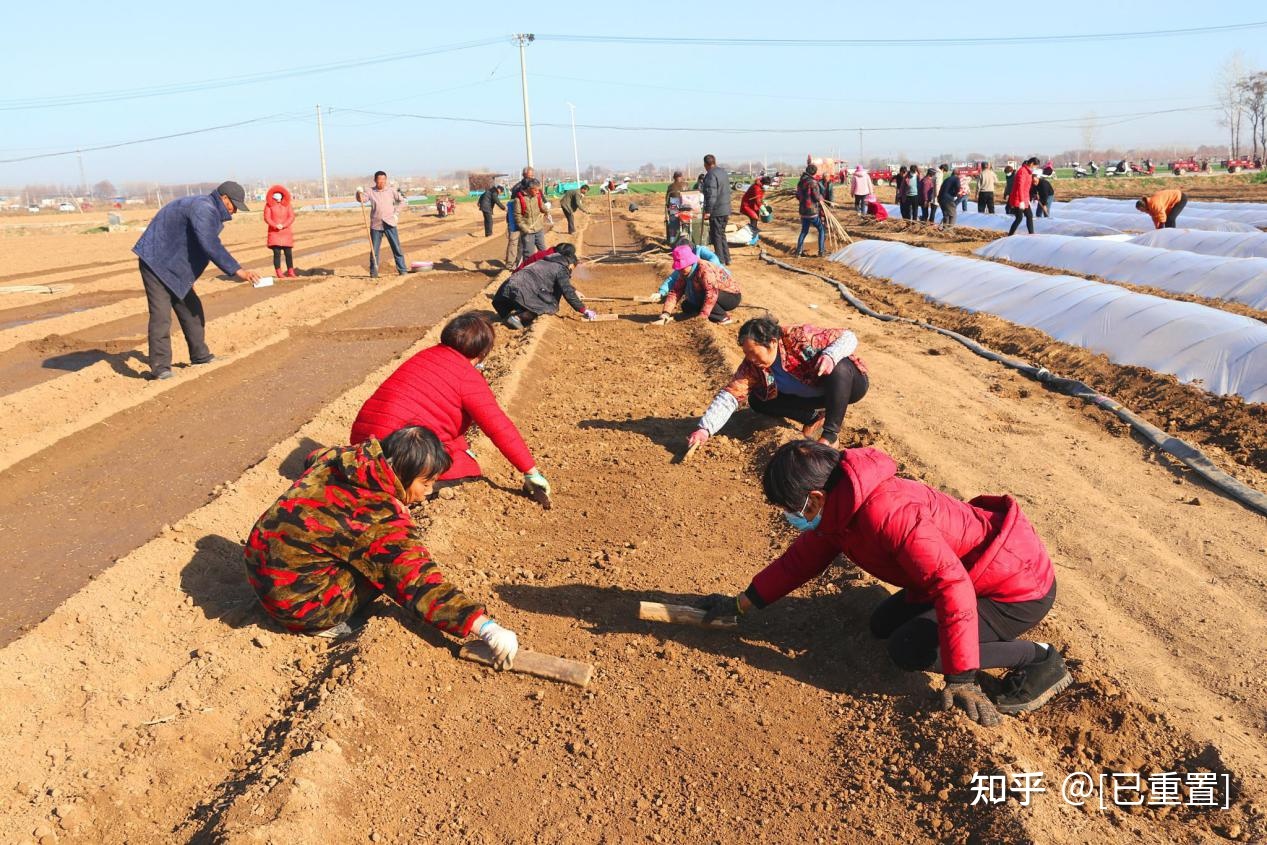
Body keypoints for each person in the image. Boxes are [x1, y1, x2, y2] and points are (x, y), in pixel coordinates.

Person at [695, 440, 1069, 726]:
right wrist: (742, 604)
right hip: (969, 573)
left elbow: (951, 585)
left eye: (790, 509)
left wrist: (962, 677)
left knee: (913, 650)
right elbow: (799, 561)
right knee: (882, 624)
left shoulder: (887, 513)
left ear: (814, 498)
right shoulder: (839, 509)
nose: (789, 517)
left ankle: (1040, 657)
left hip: (1015, 588)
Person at [243, 425, 519, 666]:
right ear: (401, 474)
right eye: (425, 482)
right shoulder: (380, 518)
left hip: (260, 568)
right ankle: (326, 626)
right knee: (384, 575)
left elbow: (311, 456)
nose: (430, 491)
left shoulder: (346, 459)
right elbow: (418, 583)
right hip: (297, 605)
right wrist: (484, 627)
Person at [351, 313, 551, 498]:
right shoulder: (467, 376)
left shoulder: (425, 355)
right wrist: (530, 471)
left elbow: (439, 417)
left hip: (362, 446)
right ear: (482, 352)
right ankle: (407, 489)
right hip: (403, 456)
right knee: (469, 469)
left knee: (453, 451)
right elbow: (498, 426)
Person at [132, 180, 259, 380]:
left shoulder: (205, 207)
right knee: (161, 315)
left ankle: (200, 356)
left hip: (172, 264)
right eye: (233, 205)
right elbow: (209, 243)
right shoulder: (204, 209)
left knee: (192, 309)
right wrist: (237, 270)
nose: (234, 211)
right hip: (155, 261)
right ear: (224, 198)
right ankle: (160, 368)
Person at [685, 316, 868, 449]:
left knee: (840, 367)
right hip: (812, 397)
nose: (750, 358)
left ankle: (829, 436)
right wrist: (705, 429)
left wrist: (830, 356)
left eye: (753, 352)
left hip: (848, 385)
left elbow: (848, 336)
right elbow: (730, 395)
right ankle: (813, 416)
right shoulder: (752, 366)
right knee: (758, 400)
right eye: (746, 353)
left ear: (772, 343)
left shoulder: (799, 337)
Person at [492, 244, 596, 329]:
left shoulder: (545, 261)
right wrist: (584, 310)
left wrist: (574, 290)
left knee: (538, 295)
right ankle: (518, 318)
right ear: (570, 263)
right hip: (520, 291)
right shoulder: (561, 268)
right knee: (550, 306)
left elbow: (562, 286)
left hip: (504, 294)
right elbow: (567, 291)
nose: (571, 271)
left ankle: (515, 312)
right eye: (572, 268)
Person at [654, 243, 742, 325]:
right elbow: (676, 291)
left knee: (701, 296)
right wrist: (666, 313)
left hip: (731, 296)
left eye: (682, 267)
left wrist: (702, 317)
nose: (680, 271)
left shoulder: (705, 270)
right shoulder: (684, 273)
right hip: (714, 294)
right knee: (686, 306)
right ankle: (710, 313)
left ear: (690, 263)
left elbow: (711, 294)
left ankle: (723, 317)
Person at [356, 171, 408, 278]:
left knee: (396, 248)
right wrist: (358, 193)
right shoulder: (370, 191)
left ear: (386, 180)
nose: (382, 182)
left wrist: (396, 213)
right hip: (376, 224)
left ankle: (402, 270)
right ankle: (373, 273)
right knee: (374, 250)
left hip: (390, 223)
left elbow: (403, 201)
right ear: (375, 180)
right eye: (379, 180)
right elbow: (362, 200)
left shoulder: (391, 190)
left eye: (384, 180)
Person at [652, 240, 724, 301]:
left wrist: (702, 267)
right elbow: (672, 278)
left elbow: (714, 259)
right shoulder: (683, 265)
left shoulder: (700, 251)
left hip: (719, 282)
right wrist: (661, 292)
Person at [701, 154, 732, 265]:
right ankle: (727, 258)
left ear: (705, 164)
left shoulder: (710, 175)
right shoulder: (723, 172)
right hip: (726, 208)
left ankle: (720, 260)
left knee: (716, 235)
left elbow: (711, 194)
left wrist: (708, 211)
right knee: (721, 233)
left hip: (717, 210)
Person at [263, 184, 297, 278]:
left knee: (288, 254)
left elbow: (291, 216)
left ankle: (290, 271)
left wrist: (284, 225)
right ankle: (279, 272)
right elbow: (267, 217)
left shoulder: (288, 205)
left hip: (286, 232)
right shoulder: (268, 206)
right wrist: (275, 225)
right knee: (277, 254)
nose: (278, 199)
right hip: (274, 233)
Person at [513, 179, 549, 264]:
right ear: (529, 189)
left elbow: (542, 207)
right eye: (535, 190)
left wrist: (546, 211)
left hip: (538, 229)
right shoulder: (519, 200)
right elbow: (517, 217)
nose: (537, 192)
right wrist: (525, 229)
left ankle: (545, 267)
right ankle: (527, 270)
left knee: (543, 250)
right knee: (529, 254)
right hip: (528, 231)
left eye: (538, 190)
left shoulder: (538, 197)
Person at [795, 164, 826, 257]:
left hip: (803, 210)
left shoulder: (800, 182)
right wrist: (821, 199)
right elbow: (816, 197)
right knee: (821, 229)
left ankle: (798, 252)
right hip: (811, 211)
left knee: (804, 231)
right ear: (814, 172)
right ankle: (821, 251)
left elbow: (797, 195)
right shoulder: (813, 182)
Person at [1007, 158, 1037, 235]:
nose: (1035, 168)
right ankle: (1010, 235)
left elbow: (1027, 188)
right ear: (1031, 164)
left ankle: (1031, 234)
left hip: (1024, 198)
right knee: (1019, 218)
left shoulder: (1028, 172)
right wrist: (1021, 201)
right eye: (1035, 166)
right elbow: (1020, 187)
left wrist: (1027, 200)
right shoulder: (1022, 171)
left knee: (1029, 215)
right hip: (1018, 198)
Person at [739, 176, 770, 244]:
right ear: (763, 183)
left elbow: (760, 198)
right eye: (766, 185)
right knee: (754, 218)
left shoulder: (761, 187)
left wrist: (764, 202)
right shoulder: (756, 187)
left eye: (768, 185)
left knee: (755, 219)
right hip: (747, 205)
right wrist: (764, 210)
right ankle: (752, 238)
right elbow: (757, 200)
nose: (767, 186)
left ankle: (755, 237)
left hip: (753, 205)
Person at [665, 171, 687, 241]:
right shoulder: (686, 184)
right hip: (685, 204)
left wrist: (668, 208)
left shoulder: (670, 186)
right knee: (687, 222)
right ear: (681, 177)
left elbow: (667, 199)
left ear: (674, 178)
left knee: (673, 223)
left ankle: (673, 240)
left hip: (674, 203)